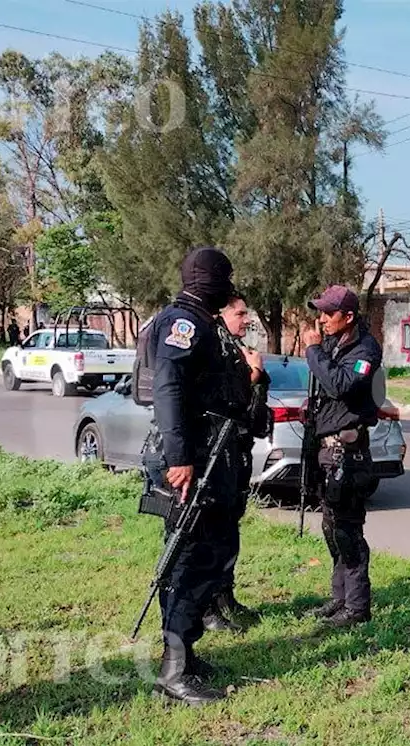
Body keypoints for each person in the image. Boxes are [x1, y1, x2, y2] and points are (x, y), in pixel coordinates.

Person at [144, 246, 254, 705]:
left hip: (215, 455)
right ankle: (174, 671)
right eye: (223, 279)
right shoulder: (182, 323)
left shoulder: (205, 322)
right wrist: (179, 458)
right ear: (207, 281)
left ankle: (185, 653)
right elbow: (168, 388)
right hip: (194, 458)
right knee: (191, 558)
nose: (229, 288)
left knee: (214, 552)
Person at [299, 284, 384, 629]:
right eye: (319, 312)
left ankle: (358, 607)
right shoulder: (336, 344)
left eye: (328, 313)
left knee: (349, 531)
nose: (321, 320)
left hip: (349, 453)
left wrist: (313, 351)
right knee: (332, 527)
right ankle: (341, 599)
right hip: (327, 450)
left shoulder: (365, 348)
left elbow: (340, 384)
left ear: (348, 316)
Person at [201, 293, 272, 633]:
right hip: (214, 458)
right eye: (240, 314)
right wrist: (253, 376)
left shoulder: (238, 352)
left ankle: (224, 596)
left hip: (236, 456)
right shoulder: (216, 350)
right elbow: (227, 401)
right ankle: (206, 607)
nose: (246, 320)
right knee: (209, 537)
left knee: (229, 533)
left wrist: (258, 377)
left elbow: (257, 421)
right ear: (222, 315)